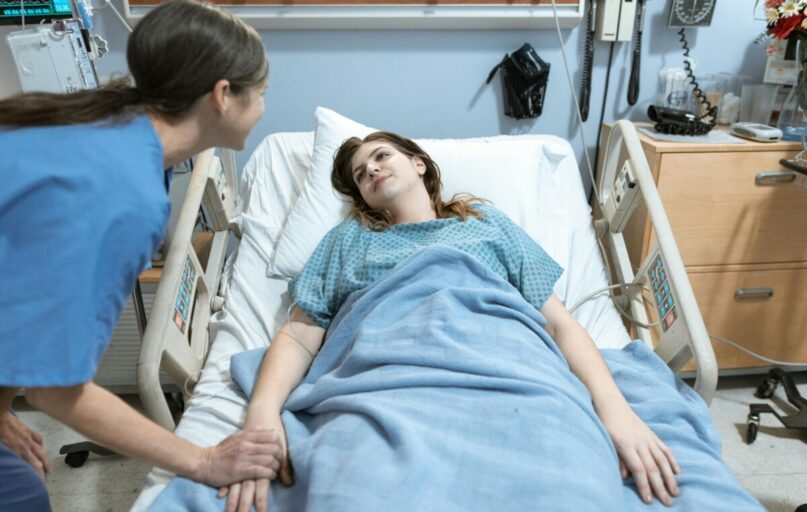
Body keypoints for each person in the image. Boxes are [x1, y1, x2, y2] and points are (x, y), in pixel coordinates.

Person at [222, 131, 682, 512]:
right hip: (386, 381)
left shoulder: (486, 223)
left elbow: (559, 324)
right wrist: (262, 415)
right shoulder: (348, 239)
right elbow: (300, 336)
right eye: (361, 175)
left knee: (569, 482)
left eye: (381, 156)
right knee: (360, 485)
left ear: (419, 163)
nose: (372, 171)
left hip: (514, 371)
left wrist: (615, 411)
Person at [0, 1, 283, 510]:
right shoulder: (123, 190)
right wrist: (204, 460)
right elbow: (57, 392)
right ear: (223, 96)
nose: (263, 107)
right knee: (21, 496)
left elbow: (20, 293)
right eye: (260, 94)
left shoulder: (108, 126)